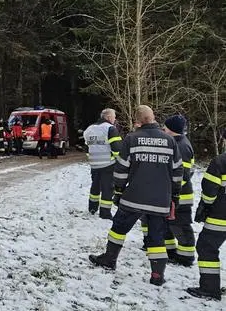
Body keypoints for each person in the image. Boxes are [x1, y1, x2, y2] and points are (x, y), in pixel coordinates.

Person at [89, 105, 183, 286]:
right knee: (156, 237)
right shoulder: (170, 141)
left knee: (118, 229)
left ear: (137, 121)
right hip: (160, 199)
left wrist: (118, 191)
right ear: (154, 117)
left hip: (133, 197)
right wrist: (174, 194)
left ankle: (109, 259)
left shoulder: (132, 139)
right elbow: (178, 171)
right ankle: (157, 275)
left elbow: (121, 170)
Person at [187, 150, 226, 300]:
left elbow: (210, 191)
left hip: (220, 216)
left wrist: (206, 206)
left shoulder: (221, 162)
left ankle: (210, 288)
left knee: (206, 247)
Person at [161, 114, 196, 266]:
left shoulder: (182, 146)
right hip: (172, 194)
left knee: (181, 225)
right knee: (169, 224)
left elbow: (183, 175)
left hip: (181, 196)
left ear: (171, 129)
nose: (163, 129)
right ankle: (171, 251)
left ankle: (186, 256)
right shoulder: (175, 143)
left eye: (165, 127)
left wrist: (172, 191)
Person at [83, 108, 121, 219]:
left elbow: (87, 147)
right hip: (108, 164)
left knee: (95, 187)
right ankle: (105, 213)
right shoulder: (110, 128)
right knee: (107, 189)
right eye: (114, 117)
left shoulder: (89, 129)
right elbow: (117, 149)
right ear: (108, 117)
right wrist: (119, 162)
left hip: (94, 164)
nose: (115, 119)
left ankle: (92, 208)